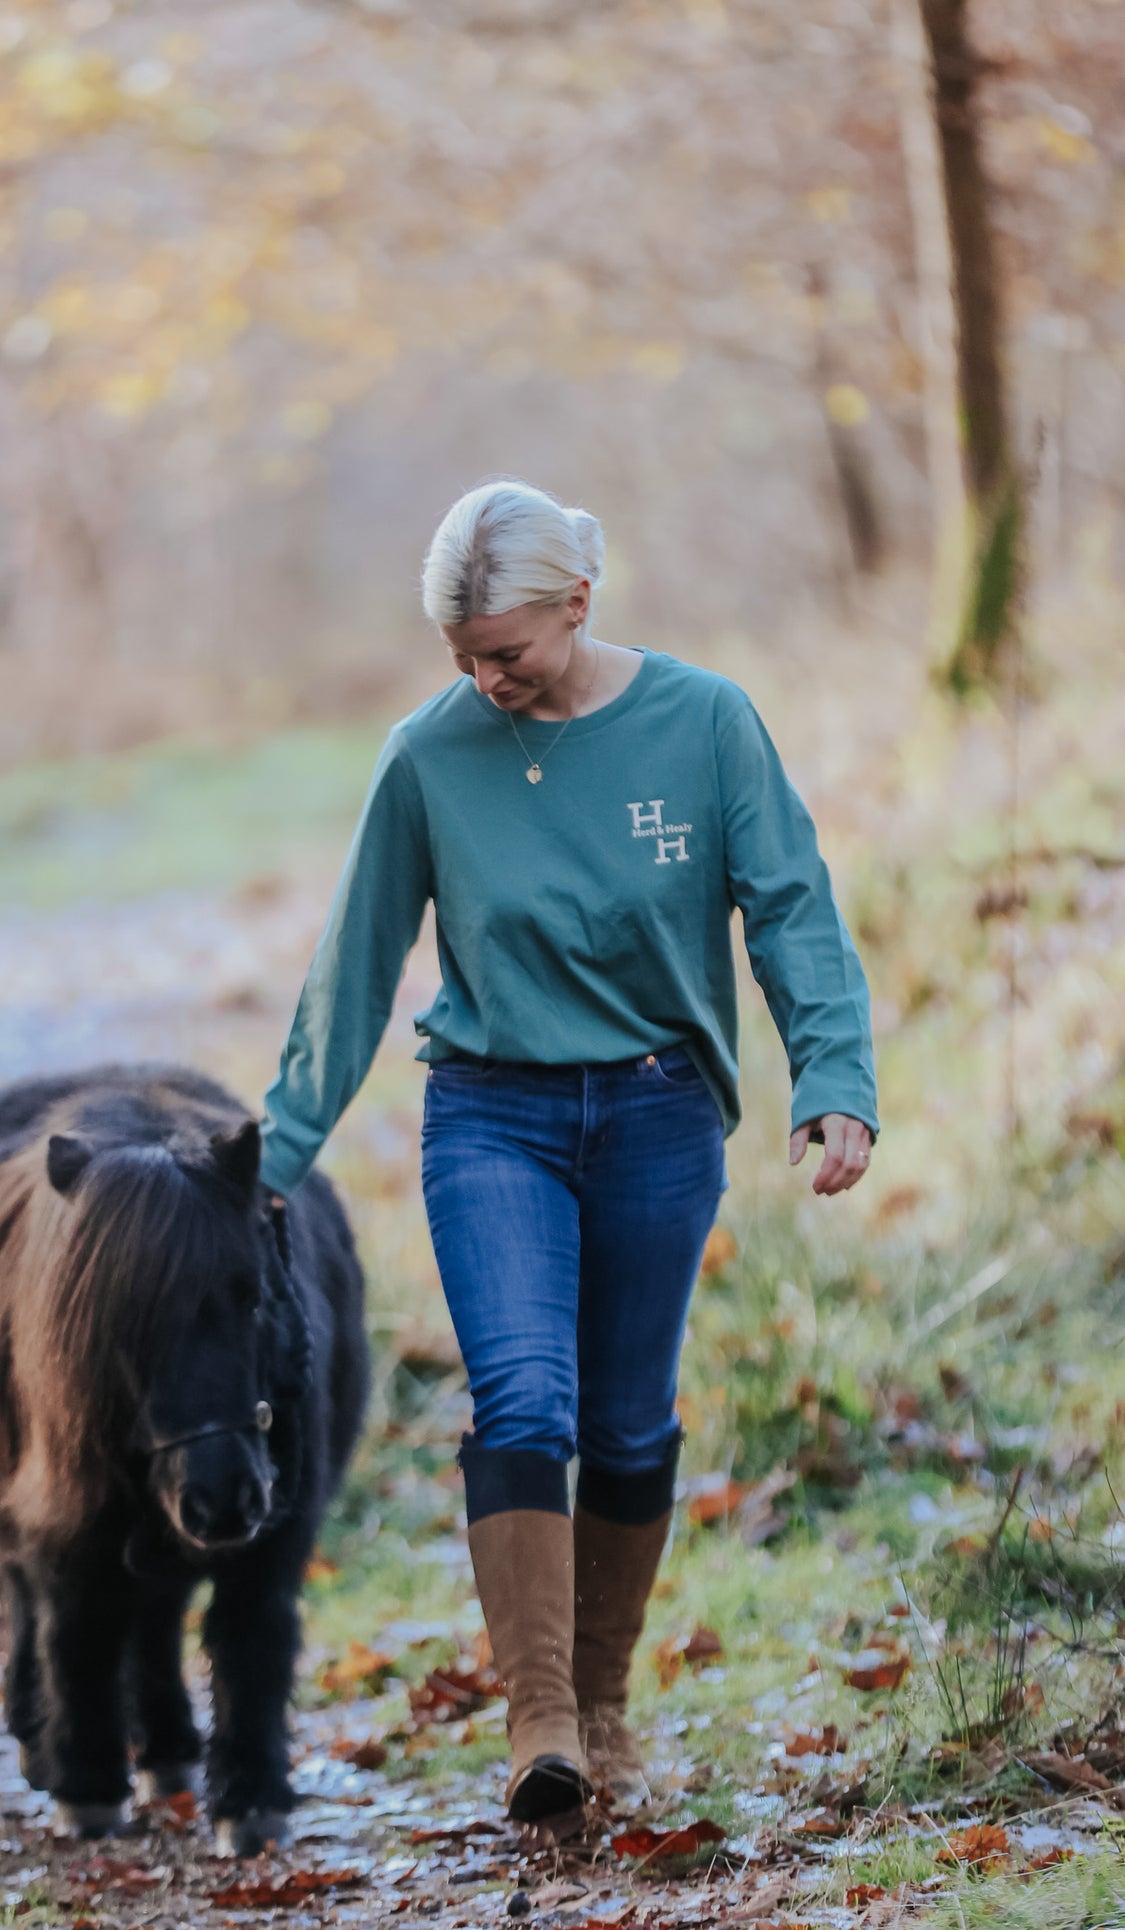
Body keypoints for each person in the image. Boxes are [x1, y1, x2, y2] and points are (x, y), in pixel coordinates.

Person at [257, 479, 877, 1839]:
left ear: (577, 606)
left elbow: (788, 903)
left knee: (628, 1420)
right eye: (463, 655)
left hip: (658, 1113)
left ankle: (600, 1704)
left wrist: (831, 1074)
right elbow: (352, 969)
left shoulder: (703, 724)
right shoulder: (428, 755)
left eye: (507, 652)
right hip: (493, 1114)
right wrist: (273, 1151)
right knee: (522, 1400)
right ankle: (537, 1721)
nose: (485, 678)